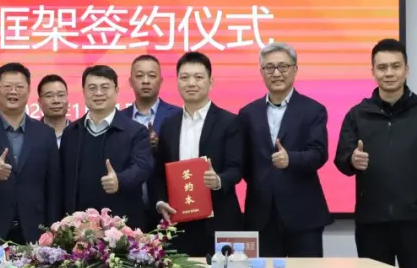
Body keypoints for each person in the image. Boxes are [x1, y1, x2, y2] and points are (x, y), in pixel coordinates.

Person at [335, 38, 417, 268]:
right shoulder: (358, 114)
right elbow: (341, 159)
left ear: (406, 70)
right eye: (382, 67)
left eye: (395, 66)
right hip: (371, 223)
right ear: (373, 71)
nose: (389, 73)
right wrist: (352, 160)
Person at [239, 43, 331, 257]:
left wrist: (291, 159)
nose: (276, 73)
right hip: (261, 214)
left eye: (283, 66)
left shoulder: (313, 110)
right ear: (261, 72)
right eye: (269, 67)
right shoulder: (247, 113)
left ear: (295, 69)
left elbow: (319, 153)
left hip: (303, 213)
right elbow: (244, 162)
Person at [151, 51, 243, 256]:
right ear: (177, 82)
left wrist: (218, 180)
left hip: (219, 219)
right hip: (179, 221)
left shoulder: (229, 122)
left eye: (198, 77)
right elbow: (159, 172)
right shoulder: (168, 125)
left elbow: (237, 168)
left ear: (210, 82)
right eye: (184, 77)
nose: (191, 83)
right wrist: (160, 202)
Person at [0, 63, 62, 246]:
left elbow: (53, 186)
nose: (13, 92)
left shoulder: (45, 134)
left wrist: (53, 230)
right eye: (7, 86)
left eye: (19, 87)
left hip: (35, 230)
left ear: (29, 91)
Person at [60, 65, 153, 228]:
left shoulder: (135, 131)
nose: (98, 93)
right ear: (83, 91)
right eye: (92, 88)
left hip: (122, 227)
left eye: (105, 87)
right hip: (78, 227)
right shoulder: (71, 132)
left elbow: (143, 167)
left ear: (116, 91)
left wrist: (120, 180)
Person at [120, 55, 182, 212]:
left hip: (169, 205)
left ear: (161, 81)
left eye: (152, 76)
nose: (146, 81)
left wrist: (162, 146)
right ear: (130, 82)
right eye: (140, 76)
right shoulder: (119, 119)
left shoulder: (178, 116)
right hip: (128, 207)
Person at [37, 74, 71, 147]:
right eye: (49, 96)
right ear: (39, 102)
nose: (56, 101)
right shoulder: (31, 134)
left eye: (61, 95)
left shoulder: (81, 134)